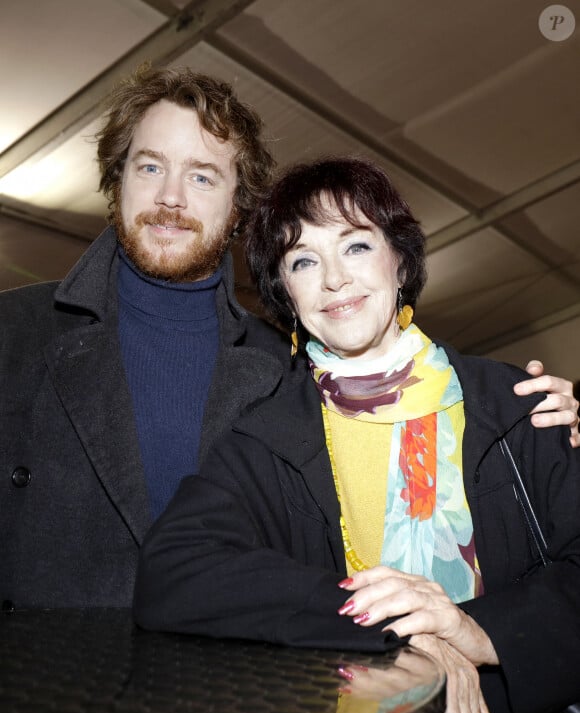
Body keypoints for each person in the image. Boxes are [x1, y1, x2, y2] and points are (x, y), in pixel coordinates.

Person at [0, 66, 576, 613]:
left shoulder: (286, 372)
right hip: (42, 691)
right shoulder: (14, 332)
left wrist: (544, 426)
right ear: (117, 179)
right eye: (149, 167)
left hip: (242, 696)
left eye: (202, 176)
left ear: (237, 209)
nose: (170, 197)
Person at [134, 157, 580, 713]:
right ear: (285, 293)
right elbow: (172, 573)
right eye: (303, 261)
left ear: (400, 261)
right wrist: (396, 622)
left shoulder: (516, 404)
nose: (335, 278)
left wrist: (475, 632)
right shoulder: (267, 439)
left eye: (356, 244)